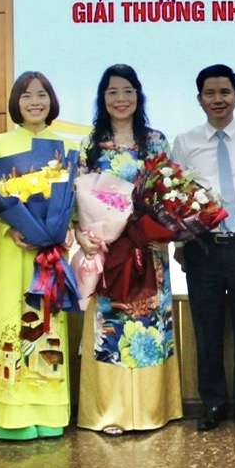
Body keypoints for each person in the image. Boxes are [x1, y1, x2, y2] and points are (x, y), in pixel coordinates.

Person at [75, 65, 182, 435]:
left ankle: (154, 409)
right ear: (102, 99)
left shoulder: (156, 142)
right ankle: (110, 412)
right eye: (112, 92)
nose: (120, 99)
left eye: (127, 91)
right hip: (107, 251)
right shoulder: (90, 144)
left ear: (138, 95)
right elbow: (75, 199)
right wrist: (81, 235)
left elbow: (171, 193)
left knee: (149, 324)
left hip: (148, 249)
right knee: (111, 328)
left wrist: (166, 232)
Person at [172, 64, 235, 432]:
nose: (218, 99)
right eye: (210, 93)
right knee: (207, 328)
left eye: (225, 92)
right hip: (203, 246)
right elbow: (176, 197)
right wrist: (180, 243)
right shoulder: (185, 142)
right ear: (200, 99)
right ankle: (212, 403)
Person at [0, 71, 72, 440]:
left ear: (51, 100)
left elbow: (72, 197)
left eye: (41, 95)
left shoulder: (65, 146)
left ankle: (50, 411)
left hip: (50, 252)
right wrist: (10, 228)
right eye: (26, 95)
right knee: (11, 320)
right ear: (15, 102)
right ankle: (13, 416)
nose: (35, 102)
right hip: (13, 248)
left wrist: (67, 225)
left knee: (49, 324)